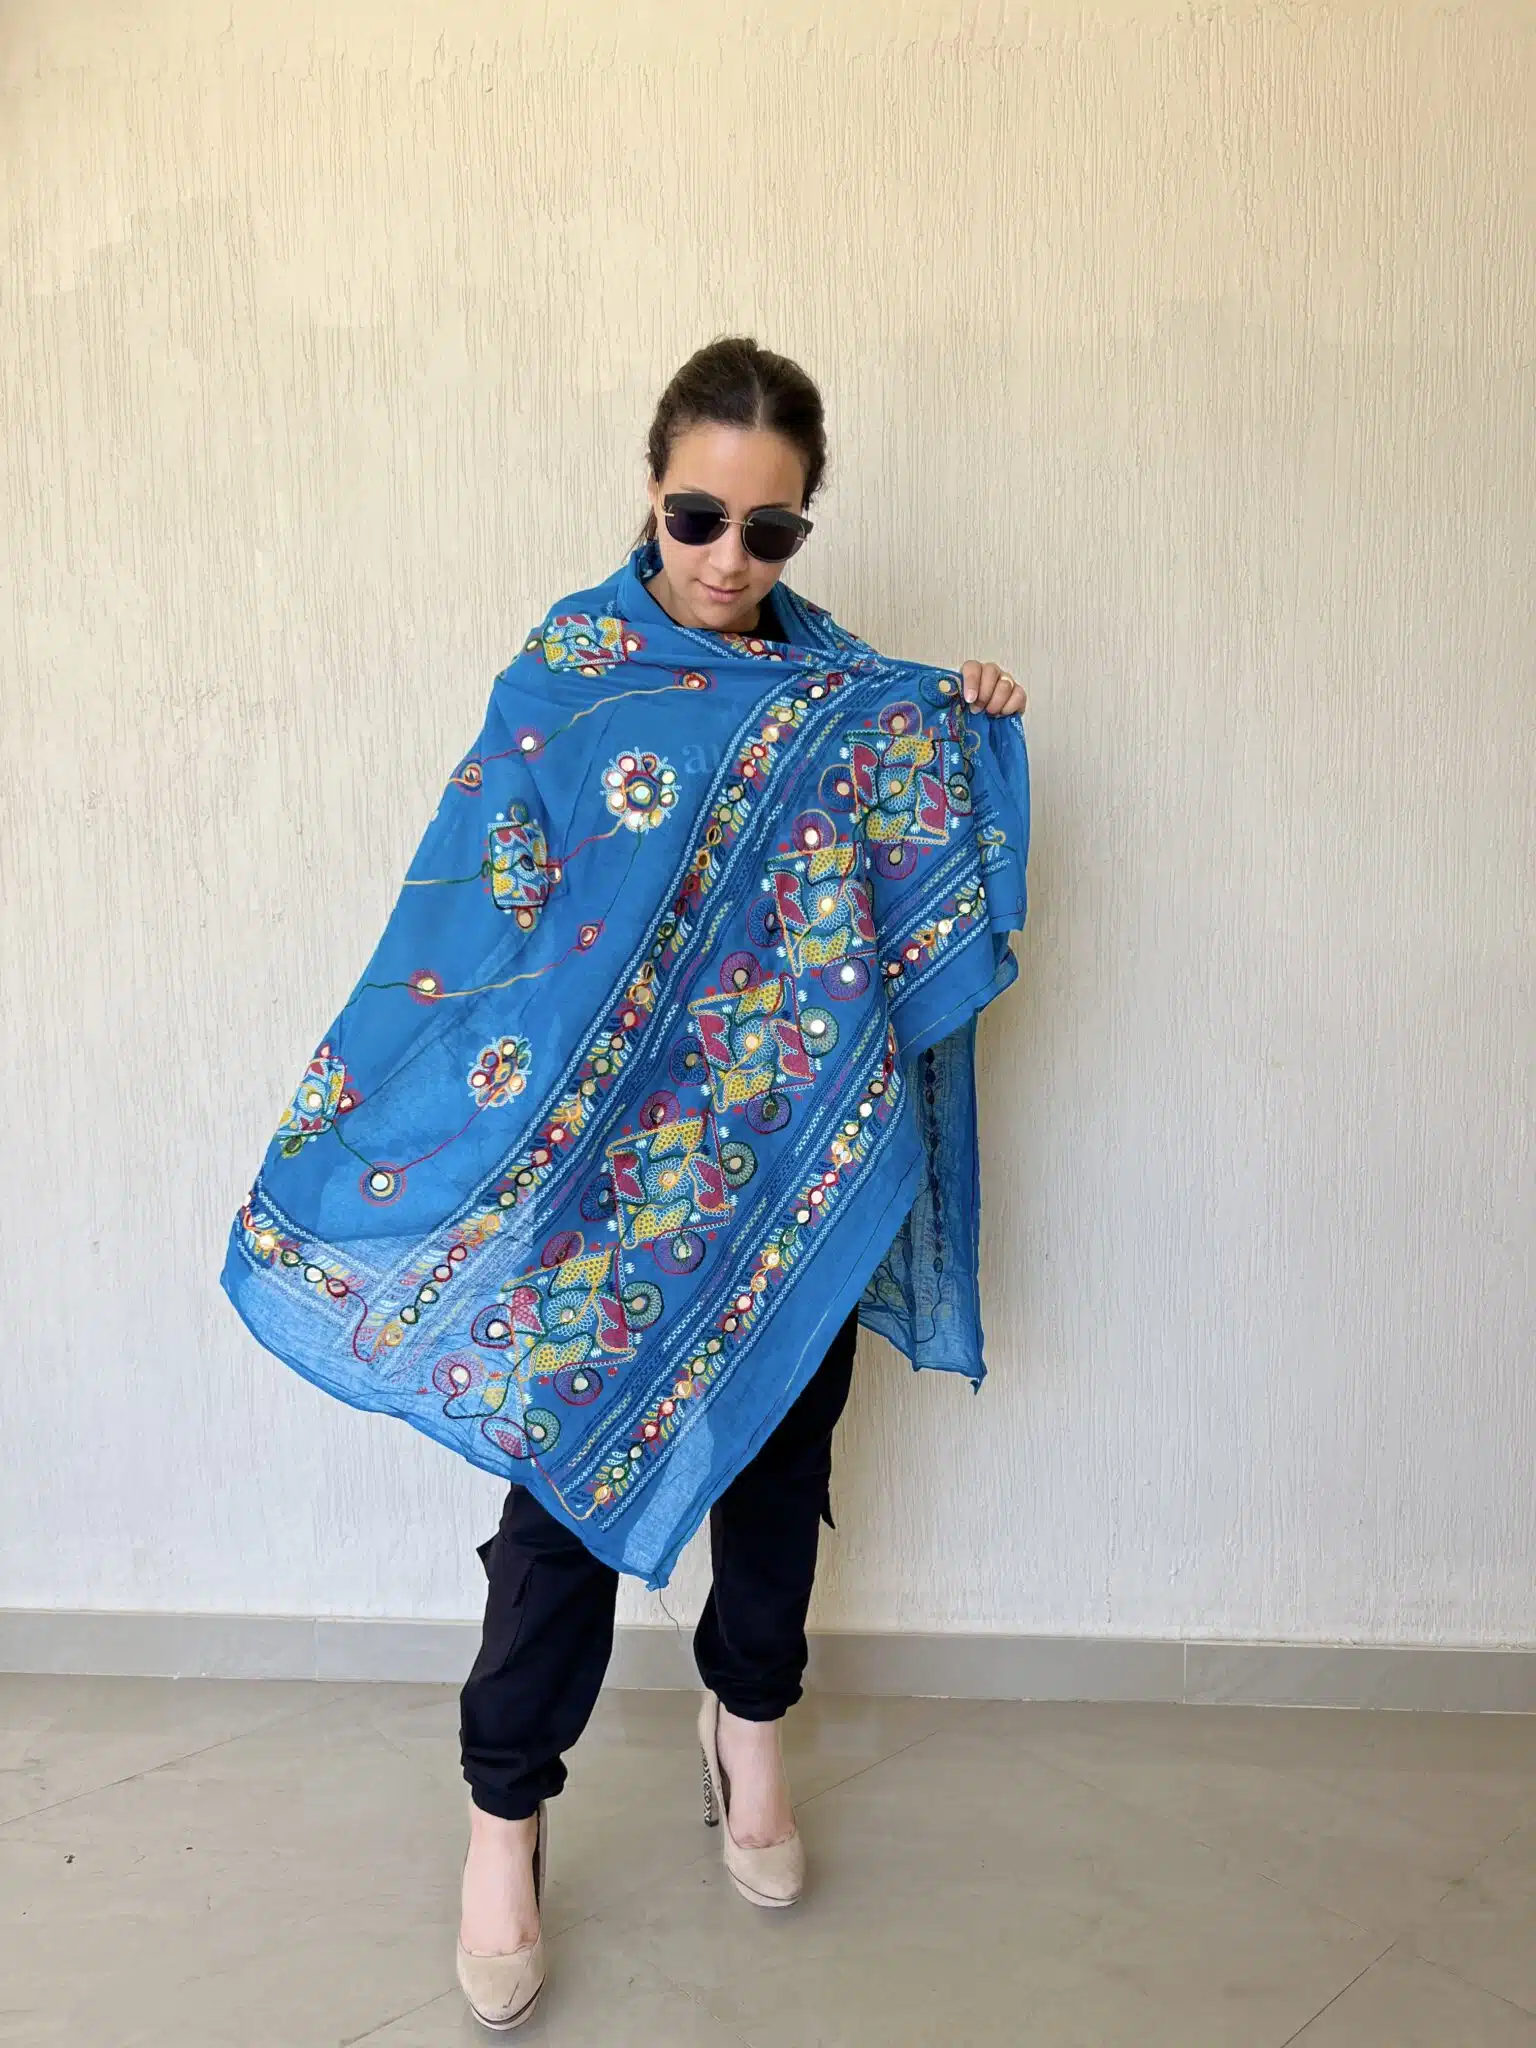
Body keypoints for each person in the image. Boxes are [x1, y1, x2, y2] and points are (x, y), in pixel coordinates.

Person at [450, 338, 1025, 2029]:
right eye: (697, 516)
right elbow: (493, 898)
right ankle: (503, 1818)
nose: (726, 557)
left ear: (802, 527)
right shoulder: (572, 677)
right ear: (651, 492)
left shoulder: (843, 699)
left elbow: (912, 894)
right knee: (564, 1499)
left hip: (791, 1166)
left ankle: (748, 1732)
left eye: (769, 531)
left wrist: (971, 736)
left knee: (778, 1461)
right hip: (600, 1174)